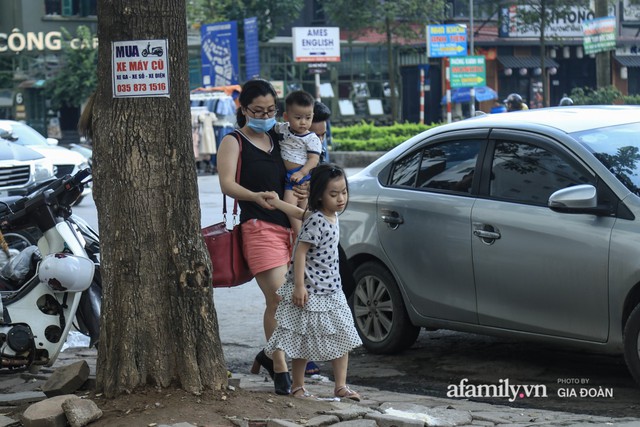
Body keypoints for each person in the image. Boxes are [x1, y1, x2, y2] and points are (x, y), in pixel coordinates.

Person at [217, 78, 300, 395]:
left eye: (271, 110)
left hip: (289, 228)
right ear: (244, 109)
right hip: (257, 228)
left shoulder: (279, 140)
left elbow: (295, 174)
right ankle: (280, 368)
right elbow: (227, 184)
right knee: (278, 299)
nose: (265, 115)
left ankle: (268, 355)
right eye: (258, 110)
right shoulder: (233, 141)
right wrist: (255, 196)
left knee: (291, 300)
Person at [264, 163, 363, 400]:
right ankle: (298, 386)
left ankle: (340, 386)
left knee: (343, 335)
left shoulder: (330, 215)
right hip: (311, 291)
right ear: (319, 195)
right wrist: (299, 286)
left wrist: (277, 203)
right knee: (303, 338)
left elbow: (300, 213)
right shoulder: (318, 220)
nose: (340, 199)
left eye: (344, 192)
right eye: (333, 194)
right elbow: (300, 252)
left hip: (332, 289)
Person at [274, 90, 322, 235]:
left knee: (295, 203)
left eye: (308, 117)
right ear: (286, 117)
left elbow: (314, 159)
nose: (303, 122)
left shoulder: (311, 138)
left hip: (301, 175)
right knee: (298, 206)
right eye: (298, 117)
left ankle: (301, 233)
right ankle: (302, 233)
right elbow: (271, 126)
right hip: (291, 175)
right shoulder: (282, 128)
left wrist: (302, 172)